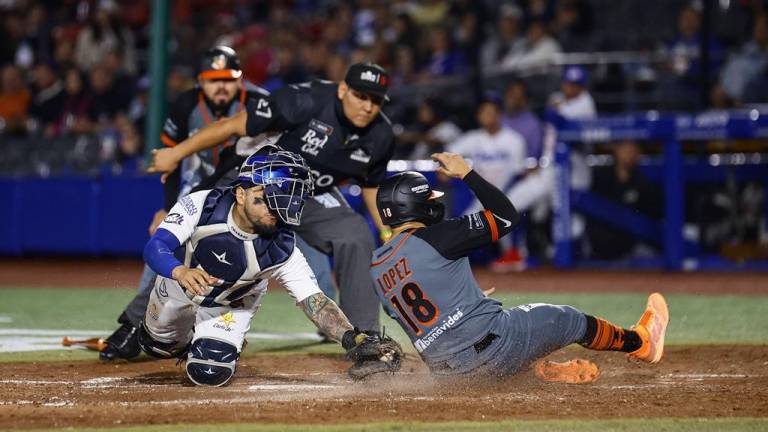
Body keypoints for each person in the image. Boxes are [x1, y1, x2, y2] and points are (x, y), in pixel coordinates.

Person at [98, 46, 340, 361]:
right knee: (167, 248)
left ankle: (326, 320)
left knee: (302, 248)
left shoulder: (261, 103)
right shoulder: (185, 105)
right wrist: (169, 207)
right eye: (213, 80)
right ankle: (134, 325)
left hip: (261, 186)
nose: (221, 86)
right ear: (201, 81)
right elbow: (172, 163)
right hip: (210, 183)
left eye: (228, 79)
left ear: (240, 80)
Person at [149, 62, 396, 337]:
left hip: (308, 195)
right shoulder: (303, 100)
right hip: (255, 185)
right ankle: (137, 326)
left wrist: (388, 232)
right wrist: (176, 153)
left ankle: (366, 338)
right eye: (360, 96)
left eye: (376, 100)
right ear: (342, 90)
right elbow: (231, 126)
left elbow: (371, 186)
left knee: (355, 234)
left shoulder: (382, 135)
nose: (368, 106)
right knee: (200, 234)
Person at [370, 152, 669, 378]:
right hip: (495, 346)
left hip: (449, 373)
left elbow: (415, 310)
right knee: (569, 319)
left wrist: (464, 301)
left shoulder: (376, 267)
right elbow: (506, 217)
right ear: (415, 205)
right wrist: (469, 174)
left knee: (502, 343)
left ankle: (541, 373)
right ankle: (641, 343)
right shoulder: (438, 235)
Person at [140, 149, 397, 386]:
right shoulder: (203, 204)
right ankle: (186, 336)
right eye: (268, 197)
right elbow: (156, 246)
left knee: (209, 372)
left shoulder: (282, 247)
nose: (277, 207)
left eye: (285, 198)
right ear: (241, 194)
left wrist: (352, 338)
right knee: (156, 346)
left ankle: (217, 339)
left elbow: (314, 301)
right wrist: (180, 271)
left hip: (230, 304)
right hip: (178, 283)